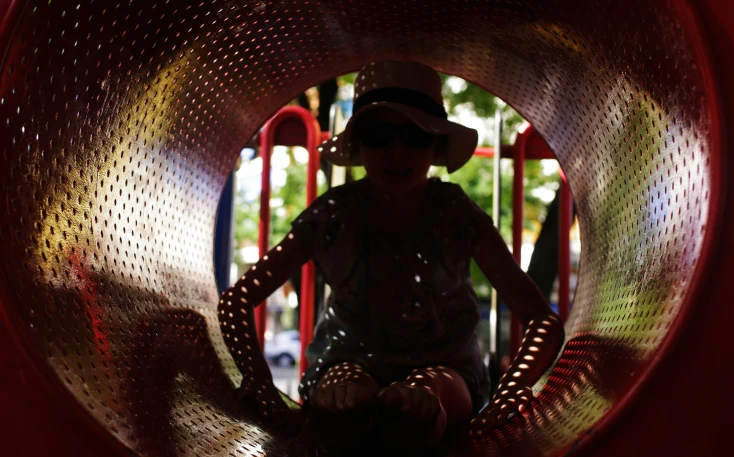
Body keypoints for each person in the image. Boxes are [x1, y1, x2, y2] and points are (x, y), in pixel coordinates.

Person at [217, 61, 565, 450]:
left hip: (446, 366)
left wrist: (510, 390)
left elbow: (540, 319)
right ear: (358, 144)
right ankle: (358, 416)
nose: (395, 151)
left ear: (435, 145)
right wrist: (259, 382)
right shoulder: (335, 214)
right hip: (348, 357)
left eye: (414, 135)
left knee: (425, 392)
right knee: (347, 389)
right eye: (377, 134)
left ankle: (405, 416)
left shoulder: (455, 213)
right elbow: (237, 299)